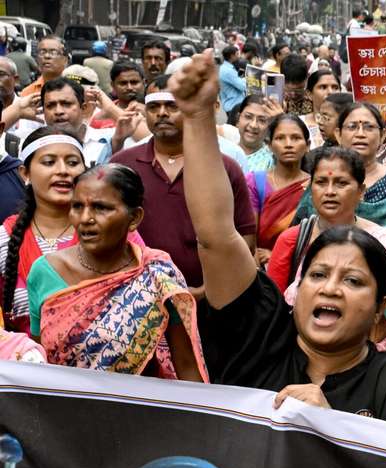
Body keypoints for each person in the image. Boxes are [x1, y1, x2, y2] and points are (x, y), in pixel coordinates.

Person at [173, 50, 386, 423]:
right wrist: (197, 118)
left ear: (379, 318)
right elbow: (215, 236)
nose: (330, 289)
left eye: (353, 280)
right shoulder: (260, 340)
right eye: (318, 274)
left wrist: (330, 426)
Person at [26, 163, 204, 380]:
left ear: (135, 218)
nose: (85, 219)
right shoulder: (45, 271)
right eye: (77, 206)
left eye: (101, 208)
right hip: (62, 407)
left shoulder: (157, 274)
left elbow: (186, 365)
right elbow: (39, 362)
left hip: (137, 407)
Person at [269, 147, 386, 375]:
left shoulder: (385, 244)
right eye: (320, 183)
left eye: (341, 183)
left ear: (361, 191)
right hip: (301, 363)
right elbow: (272, 308)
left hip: (368, 365)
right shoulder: (293, 239)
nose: (329, 192)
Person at [110, 83, 256, 291]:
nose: (161, 113)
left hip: (212, 300)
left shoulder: (223, 166)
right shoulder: (122, 164)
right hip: (135, 296)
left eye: (172, 106)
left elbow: (245, 237)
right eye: (153, 107)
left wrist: (208, 290)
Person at [295, 102, 386, 256]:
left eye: (369, 127)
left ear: (383, 136)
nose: (360, 134)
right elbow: (299, 237)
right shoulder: (323, 180)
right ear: (338, 134)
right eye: (352, 127)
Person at [0, 128, 88, 333]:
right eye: (49, 162)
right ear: (25, 173)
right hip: (23, 362)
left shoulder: (112, 231)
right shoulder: (4, 239)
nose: (63, 170)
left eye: (73, 163)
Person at [248, 114, 310, 265]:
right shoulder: (255, 182)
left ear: (307, 145)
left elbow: (313, 236)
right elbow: (249, 240)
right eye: (280, 138)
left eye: (296, 138)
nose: (288, 144)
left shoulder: (315, 185)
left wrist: (276, 255)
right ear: (269, 145)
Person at [234, 95, 279, 173]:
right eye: (248, 117)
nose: (253, 125)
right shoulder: (225, 152)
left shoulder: (273, 159)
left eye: (262, 120)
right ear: (238, 119)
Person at [303, 69, 341, 147]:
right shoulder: (299, 123)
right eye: (323, 87)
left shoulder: (346, 125)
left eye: (335, 87)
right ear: (309, 94)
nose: (330, 92)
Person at [217, 46, 246, 113]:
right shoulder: (228, 71)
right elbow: (242, 86)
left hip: (232, 105)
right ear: (232, 56)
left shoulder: (226, 68)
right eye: (237, 54)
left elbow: (238, 79)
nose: (239, 56)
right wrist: (246, 78)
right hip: (234, 106)